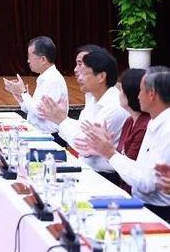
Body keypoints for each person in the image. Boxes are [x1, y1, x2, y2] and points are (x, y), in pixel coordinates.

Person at [72, 66, 169, 220]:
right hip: (141, 201)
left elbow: (147, 183)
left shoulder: (165, 129)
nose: (137, 96)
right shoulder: (154, 121)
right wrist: (110, 152)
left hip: (156, 211)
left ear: (151, 94)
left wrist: (110, 153)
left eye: (140, 91)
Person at [38, 48, 128, 180]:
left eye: (84, 73)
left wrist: (62, 120)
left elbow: (83, 145)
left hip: (105, 177)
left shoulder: (114, 106)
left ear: (101, 77)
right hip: (87, 168)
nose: (79, 76)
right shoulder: (92, 98)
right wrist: (63, 120)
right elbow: (81, 131)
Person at [76, 68, 151, 193]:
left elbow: (128, 169)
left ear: (132, 95)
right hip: (124, 187)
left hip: (133, 193)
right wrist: (102, 150)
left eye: (121, 90)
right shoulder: (130, 121)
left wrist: (107, 152)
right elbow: (120, 157)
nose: (118, 93)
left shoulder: (144, 126)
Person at [3, 36, 68, 136]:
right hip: (40, 133)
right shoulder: (45, 77)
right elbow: (32, 111)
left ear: (42, 59)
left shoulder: (53, 80)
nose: (28, 61)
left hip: (50, 137)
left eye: (30, 56)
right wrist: (20, 97)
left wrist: (23, 92)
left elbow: (39, 111)